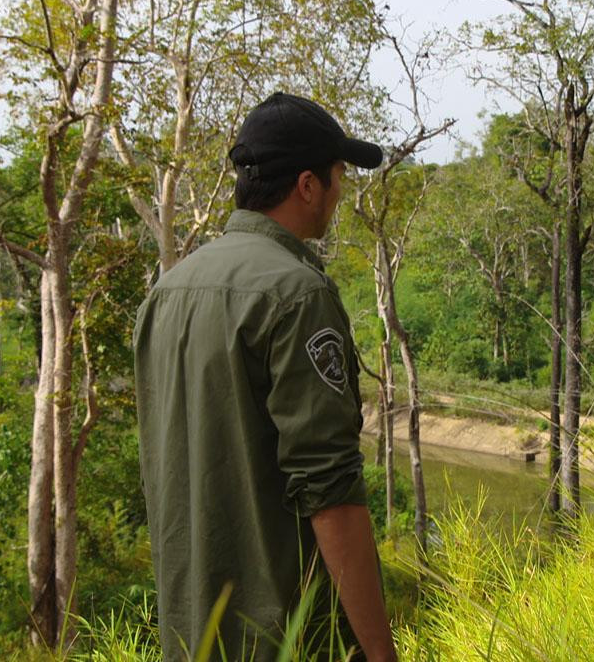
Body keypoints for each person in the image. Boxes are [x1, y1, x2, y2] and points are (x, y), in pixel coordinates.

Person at [134, 92, 398, 662]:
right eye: (337, 175)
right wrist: (380, 653)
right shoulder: (297, 294)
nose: (340, 191)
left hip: (190, 637)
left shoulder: (167, 292)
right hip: (284, 635)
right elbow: (331, 492)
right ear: (308, 186)